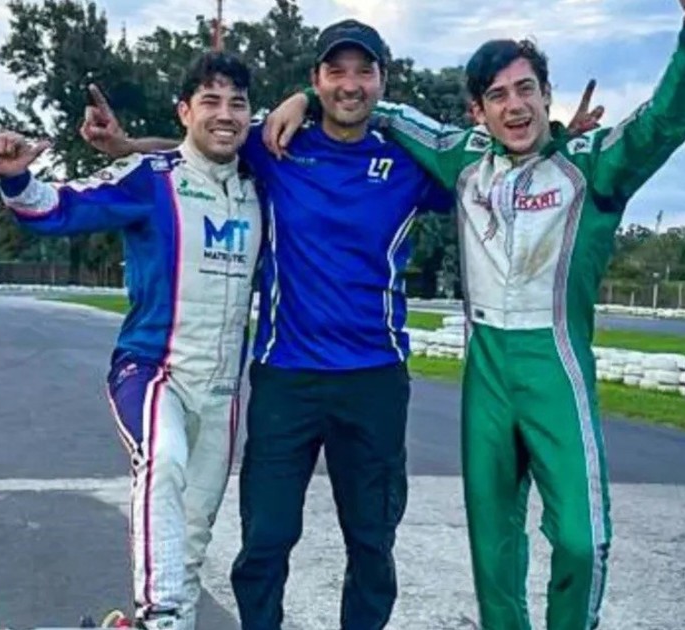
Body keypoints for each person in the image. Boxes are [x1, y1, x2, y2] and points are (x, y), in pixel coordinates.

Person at [80, 20, 602, 630]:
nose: (350, 85)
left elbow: (498, 161)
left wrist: (556, 140)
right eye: (336, 72)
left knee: (372, 545)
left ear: (382, 80)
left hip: (374, 380)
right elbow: (200, 144)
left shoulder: (410, 162)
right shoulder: (276, 144)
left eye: (363, 71)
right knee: (266, 542)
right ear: (316, 79)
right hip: (286, 378)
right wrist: (125, 147)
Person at [264, 2, 685, 628]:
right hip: (484, 369)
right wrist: (301, 98)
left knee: (582, 539)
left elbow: (664, 121)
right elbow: (381, 109)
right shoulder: (463, 159)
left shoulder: (591, 165)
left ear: (546, 96)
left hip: (555, 366)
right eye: (498, 95)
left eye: (526, 90)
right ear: (477, 111)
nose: (515, 106)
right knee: (493, 551)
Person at [0, 51, 265, 630]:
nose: (225, 114)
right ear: (184, 111)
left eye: (237, 103)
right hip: (154, 371)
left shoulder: (264, 182)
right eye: (210, 101)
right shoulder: (150, 178)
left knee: (192, 533)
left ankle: (169, 622)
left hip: (222, 391)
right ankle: (158, 620)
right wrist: (15, 177)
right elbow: (59, 208)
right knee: (163, 463)